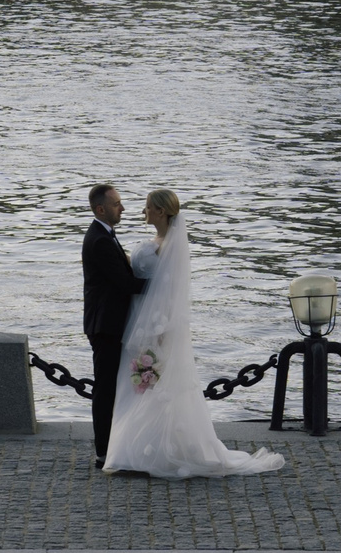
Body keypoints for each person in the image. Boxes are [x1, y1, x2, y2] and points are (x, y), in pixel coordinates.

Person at [102, 189, 285, 480]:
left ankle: (147, 451)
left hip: (154, 326)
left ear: (161, 212)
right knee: (139, 386)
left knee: (153, 385)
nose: (143, 210)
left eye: (148, 207)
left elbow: (170, 294)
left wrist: (160, 332)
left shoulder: (170, 248)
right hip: (137, 320)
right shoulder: (157, 243)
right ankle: (135, 449)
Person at [81, 183, 143, 464]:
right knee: (105, 389)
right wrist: (164, 282)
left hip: (108, 323)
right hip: (105, 326)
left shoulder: (104, 235)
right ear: (101, 209)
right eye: (117, 204)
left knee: (109, 387)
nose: (123, 208)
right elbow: (125, 283)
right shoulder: (100, 241)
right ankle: (103, 451)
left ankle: (110, 446)